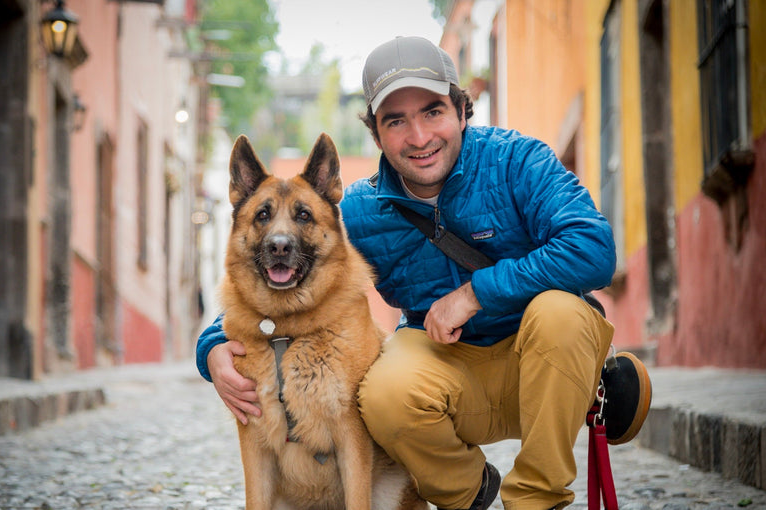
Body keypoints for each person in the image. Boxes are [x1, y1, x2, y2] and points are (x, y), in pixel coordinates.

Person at [196, 36, 616, 510]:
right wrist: (212, 346)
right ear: (376, 135)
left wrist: (475, 294)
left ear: (461, 109)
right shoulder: (355, 211)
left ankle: (536, 502)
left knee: (561, 314)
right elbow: (285, 267)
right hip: (450, 374)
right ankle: (468, 490)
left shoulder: (518, 161)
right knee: (381, 395)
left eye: (433, 111)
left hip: (542, 366)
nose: (418, 137)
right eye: (396, 121)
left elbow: (594, 250)